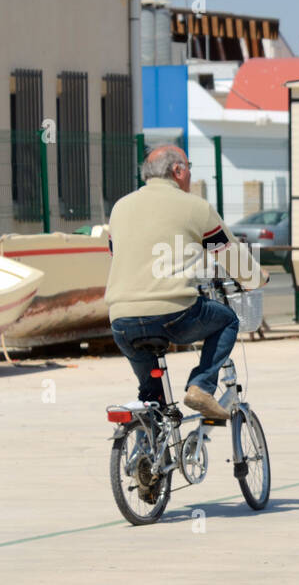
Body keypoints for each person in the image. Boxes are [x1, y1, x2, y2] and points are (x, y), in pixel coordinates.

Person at [105, 145, 264, 420]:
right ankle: (201, 387)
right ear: (177, 171)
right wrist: (257, 278)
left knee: (152, 399)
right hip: (172, 313)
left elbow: (116, 253)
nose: (190, 174)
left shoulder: (120, 207)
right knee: (226, 319)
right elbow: (234, 261)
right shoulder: (195, 208)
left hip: (121, 319)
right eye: (189, 167)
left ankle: (147, 448)